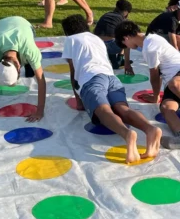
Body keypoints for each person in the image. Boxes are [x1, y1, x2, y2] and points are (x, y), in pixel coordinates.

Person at [62, 15, 162, 164]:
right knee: (123, 109)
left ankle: (127, 134)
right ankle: (149, 129)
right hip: (111, 78)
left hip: (91, 79)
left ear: (67, 32)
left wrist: (79, 101)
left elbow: (73, 71)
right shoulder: (96, 39)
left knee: (104, 112)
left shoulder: (71, 40)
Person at [115, 21, 180, 149]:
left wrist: (156, 96)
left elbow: (155, 76)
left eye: (125, 44)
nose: (127, 46)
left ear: (126, 38)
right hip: (172, 81)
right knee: (166, 108)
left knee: (175, 84)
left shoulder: (150, 46)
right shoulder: (150, 40)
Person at [0, 16, 46, 123]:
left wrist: (39, 111)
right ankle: (29, 66)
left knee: (32, 69)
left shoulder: (30, 49)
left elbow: (41, 81)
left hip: (24, 24)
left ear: (19, 67)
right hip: (0, 25)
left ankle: (29, 65)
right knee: (31, 67)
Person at [94, 0, 133, 71]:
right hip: (111, 46)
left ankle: (114, 61)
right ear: (126, 12)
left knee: (112, 38)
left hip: (97, 46)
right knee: (126, 38)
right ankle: (120, 59)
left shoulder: (106, 15)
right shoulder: (122, 20)